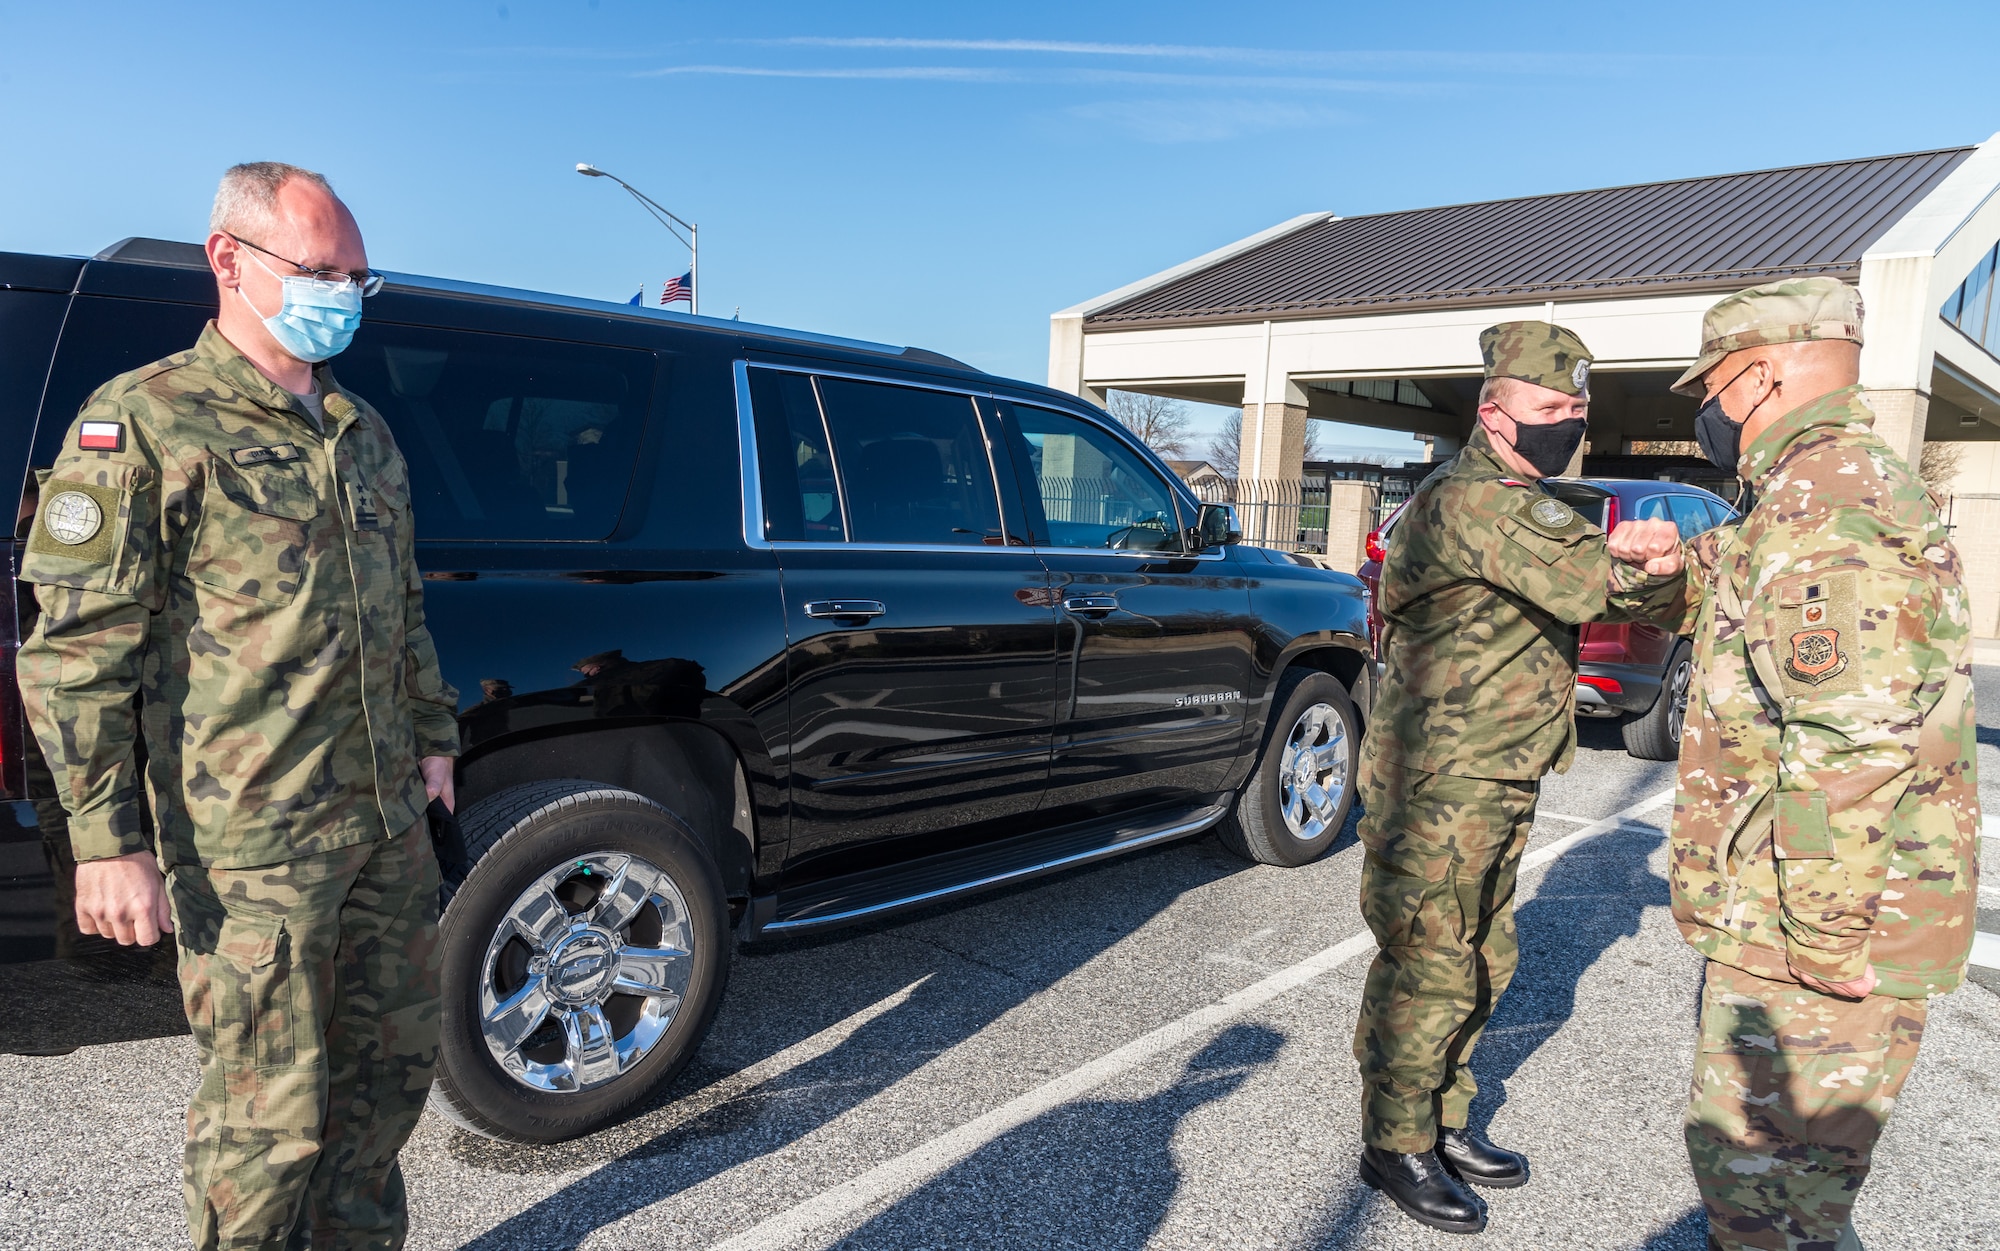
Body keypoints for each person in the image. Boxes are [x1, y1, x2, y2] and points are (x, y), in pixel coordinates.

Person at [18, 161, 461, 1251]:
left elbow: (400, 609)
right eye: (322, 271)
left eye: (360, 277)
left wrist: (435, 739)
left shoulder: (362, 432)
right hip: (248, 845)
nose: (345, 295)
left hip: (384, 826)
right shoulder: (144, 422)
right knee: (266, 1126)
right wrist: (105, 844)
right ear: (229, 258)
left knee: (385, 1086)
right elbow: (75, 654)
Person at [1607, 277, 1978, 1251]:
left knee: (1763, 1201)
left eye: (1710, 389)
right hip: (1804, 918)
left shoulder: (1823, 510)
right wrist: (1655, 574)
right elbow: (1730, 586)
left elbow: (1846, 747)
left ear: (1761, 375)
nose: (1704, 412)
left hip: (1810, 934)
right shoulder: (1812, 494)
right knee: (1785, 1197)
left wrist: (1821, 940)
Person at [1352, 320, 1683, 1235]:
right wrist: (1650, 561)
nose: (1567, 423)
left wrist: (1650, 567)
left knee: (1481, 953)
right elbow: (1592, 586)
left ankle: (1444, 1119)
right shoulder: (1476, 502)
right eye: (1549, 406)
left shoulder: (1517, 499)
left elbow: (1624, 586)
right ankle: (1394, 1141)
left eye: (1577, 408)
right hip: (1439, 779)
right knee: (1429, 959)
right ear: (1495, 411)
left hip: (1494, 772)